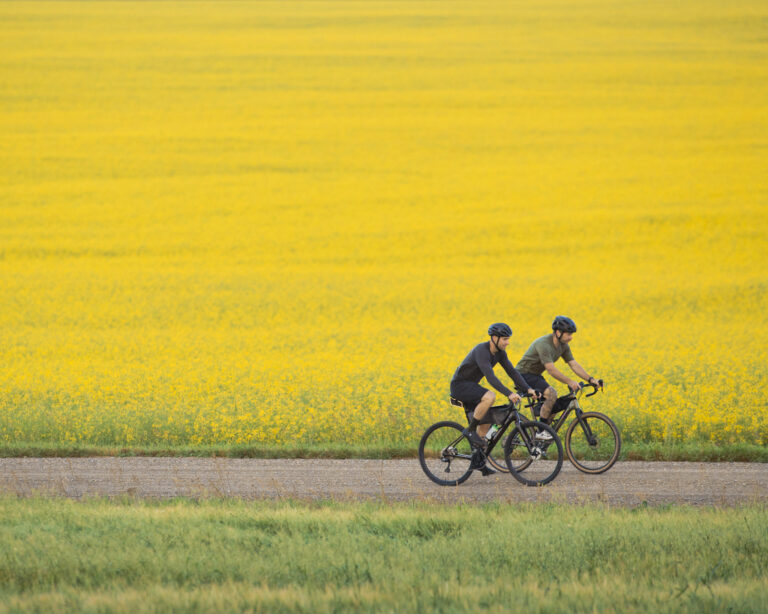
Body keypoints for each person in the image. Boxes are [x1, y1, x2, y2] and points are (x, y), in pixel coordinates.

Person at [450, 323, 538, 475]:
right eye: (505, 339)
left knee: (486, 421)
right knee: (490, 396)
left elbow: (512, 372)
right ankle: (470, 431)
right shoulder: (481, 351)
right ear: (494, 338)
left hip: (471, 386)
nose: (507, 342)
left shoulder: (500, 353)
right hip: (460, 386)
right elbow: (490, 377)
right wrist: (509, 393)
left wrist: (528, 388)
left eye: (508, 339)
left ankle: (478, 462)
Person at [515, 316, 601, 440]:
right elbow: (551, 369)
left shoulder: (563, 346)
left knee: (554, 405)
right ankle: (540, 432)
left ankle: (539, 438)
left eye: (572, 334)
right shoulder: (543, 344)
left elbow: (573, 364)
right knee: (552, 394)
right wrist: (569, 381)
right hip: (522, 375)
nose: (571, 337)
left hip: (535, 375)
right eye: (568, 334)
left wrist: (591, 379)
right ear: (558, 332)